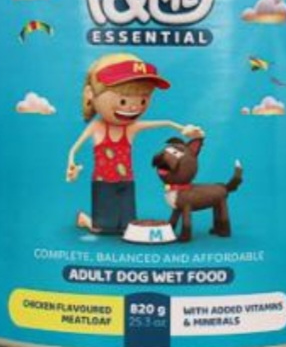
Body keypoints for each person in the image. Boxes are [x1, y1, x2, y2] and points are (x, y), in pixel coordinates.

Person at [66, 53, 204, 234]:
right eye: (123, 100)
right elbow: (74, 149)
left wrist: (182, 129)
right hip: (102, 182)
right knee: (103, 228)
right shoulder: (97, 127)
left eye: (143, 100)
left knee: (127, 226)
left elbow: (164, 122)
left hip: (127, 181)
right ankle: (85, 220)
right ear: (91, 95)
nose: (133, 107)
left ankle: (107, 221)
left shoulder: (131, 128)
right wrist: (71, 164)